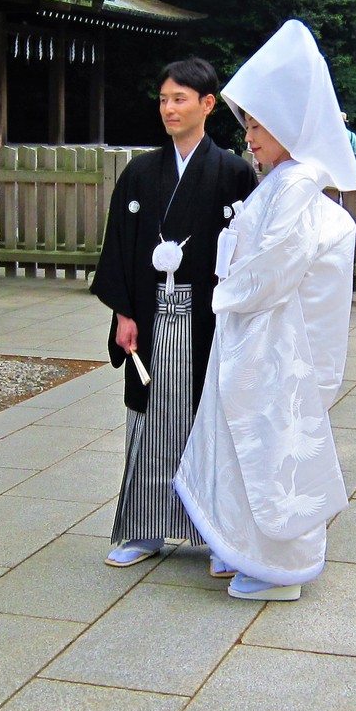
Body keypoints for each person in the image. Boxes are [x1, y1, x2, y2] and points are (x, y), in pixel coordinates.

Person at [175, 19, 356, 602]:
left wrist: (222, 295)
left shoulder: (298, 184)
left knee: (275, 448)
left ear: (288, 123)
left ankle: (281, 564)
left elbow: (273, 268)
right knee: (264, 449)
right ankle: (254, 551)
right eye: (248, 124)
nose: (249, 136)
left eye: (258, 124)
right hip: (270, 337)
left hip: (279, 340)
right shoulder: (290, 180)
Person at [90, 58, 258, 567]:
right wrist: (123, 314)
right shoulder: (141, 173)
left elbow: (250, 252)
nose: (169, 108)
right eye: (163, 99)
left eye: (179, 99)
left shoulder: (234, 172)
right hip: (150, 312)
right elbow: (119, 248)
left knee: (211, 420)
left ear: (207, 104)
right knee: (150, 419)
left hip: (210, 318)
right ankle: (145, 529)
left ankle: (218, 536)